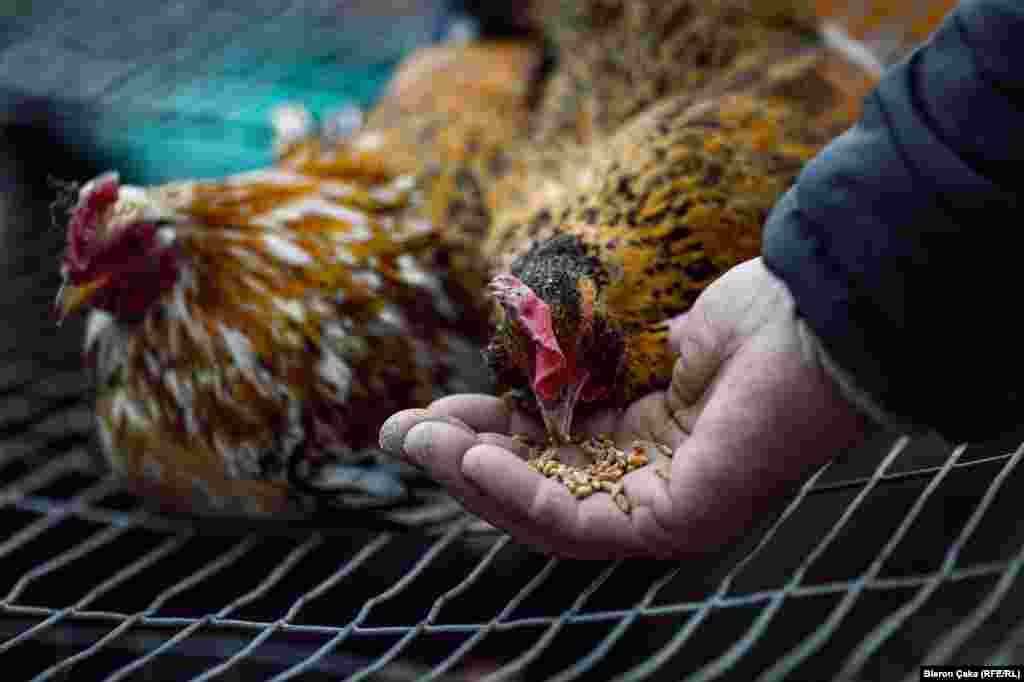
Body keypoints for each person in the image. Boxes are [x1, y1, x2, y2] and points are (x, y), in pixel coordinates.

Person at [379, 0, 1024, 559]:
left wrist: (825, 299)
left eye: (559, 381)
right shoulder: (508, 234)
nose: (556, 418)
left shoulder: (743, 192)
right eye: (538, 380)